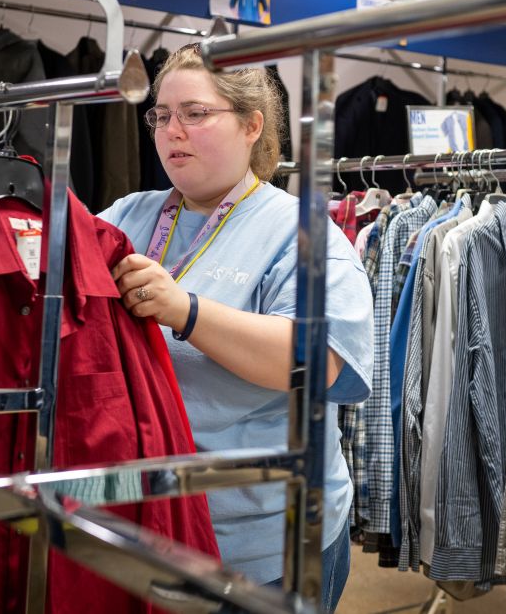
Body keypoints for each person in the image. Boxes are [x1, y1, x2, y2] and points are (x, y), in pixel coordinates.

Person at [100, 43, 372, 612]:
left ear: (252, 126)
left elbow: (319, 360)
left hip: (263, 541)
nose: (172, 131)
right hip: (153, 523)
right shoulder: (128, 216)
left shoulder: (302, 233)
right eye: (161, 116)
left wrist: (188, 311)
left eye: (195, 113)